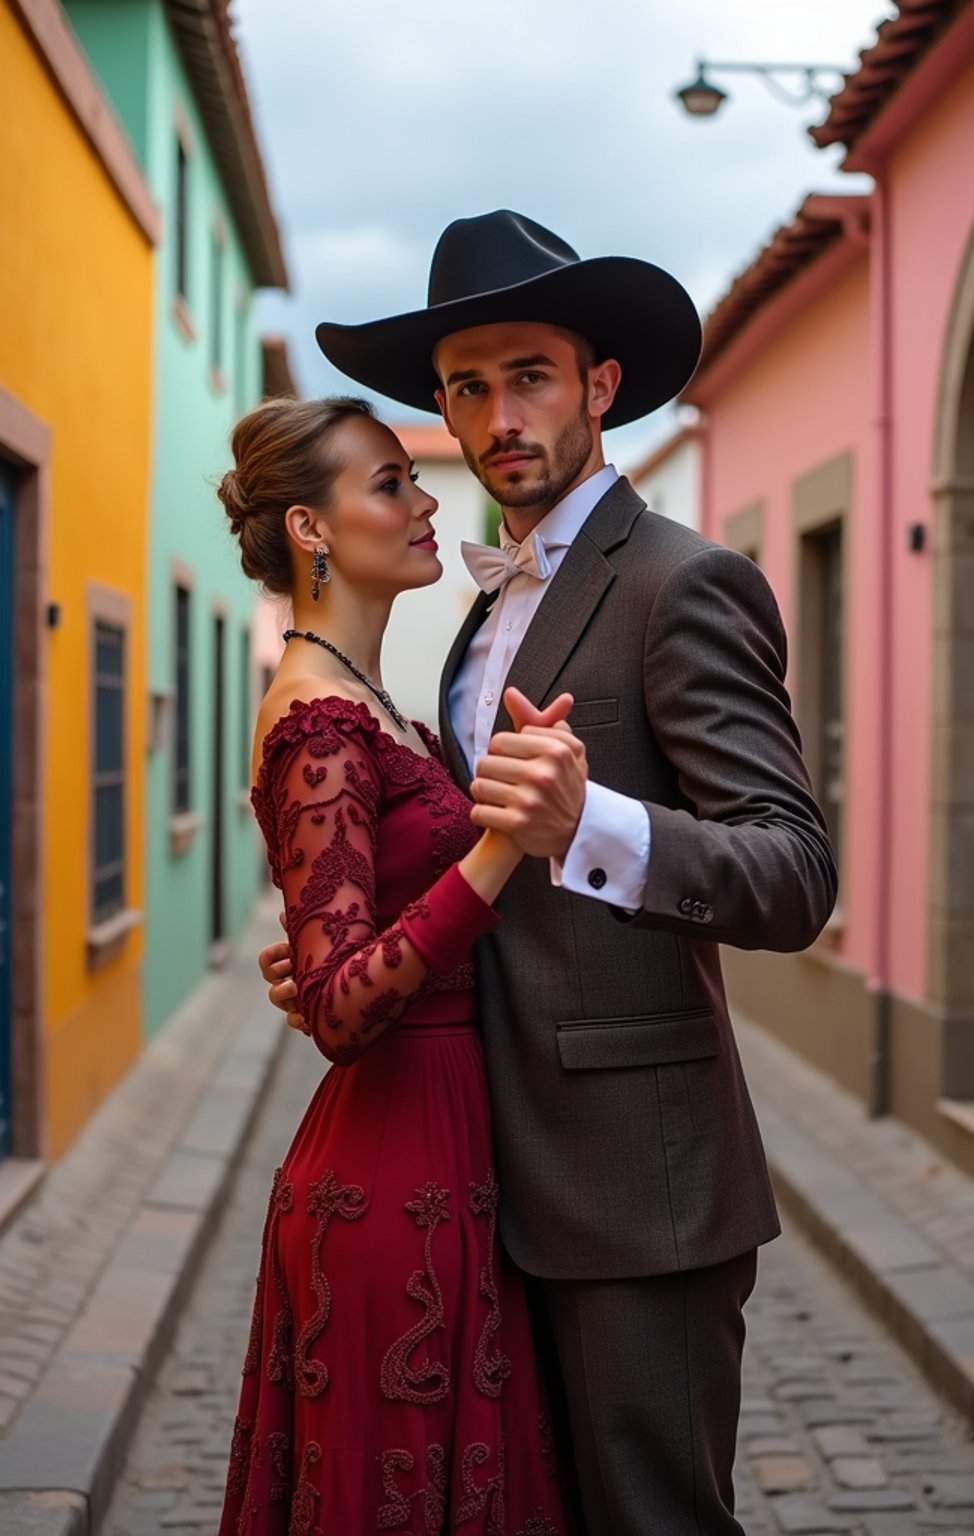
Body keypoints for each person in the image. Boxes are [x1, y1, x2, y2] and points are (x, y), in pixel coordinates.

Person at [262, 210, 838, 1535]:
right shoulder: (479, 612)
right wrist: (352, 953)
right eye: (467, 386)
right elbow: (482, 861)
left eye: (530, 375)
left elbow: (794, 873)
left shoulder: (685, 584)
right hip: (477, 1172)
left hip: (636, 1186)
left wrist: (599, 821)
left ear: (600, 387)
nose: (498, 412)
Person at [216, 394, 567, 1534]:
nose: (423, 503)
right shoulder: (317, 719)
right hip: (390, 1171)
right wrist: (503, 844)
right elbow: (337, 1010)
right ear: (312, 530)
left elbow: (347, 942)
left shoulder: (377, 706)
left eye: (413, 484)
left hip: (457, 1144)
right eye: (388, 485)